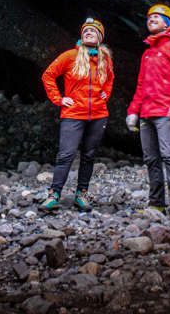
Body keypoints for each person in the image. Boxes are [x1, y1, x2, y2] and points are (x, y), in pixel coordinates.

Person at [125, 3, 170, 220]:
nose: (152, 19)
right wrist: (133, 111)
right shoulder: (147, 54)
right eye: (149, 17)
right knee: (151, 159)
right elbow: (140, 86)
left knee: (169, 156)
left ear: (168, 23)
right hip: (147, 113)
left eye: (158, 17)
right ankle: (156, 204)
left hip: (165, 111)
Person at [37, 17, 114, 212]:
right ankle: (54, 194)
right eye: (85, 31)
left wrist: (107, 93)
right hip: (73, 113)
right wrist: (59, 99)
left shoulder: (105, 59)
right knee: (66, 154)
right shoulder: (70, 56)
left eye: (93, 31)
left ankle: (81, 194)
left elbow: (110, 78)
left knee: (89, 155)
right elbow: (48, 75)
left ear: (99, 37)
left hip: (98, 114)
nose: (88, 33)